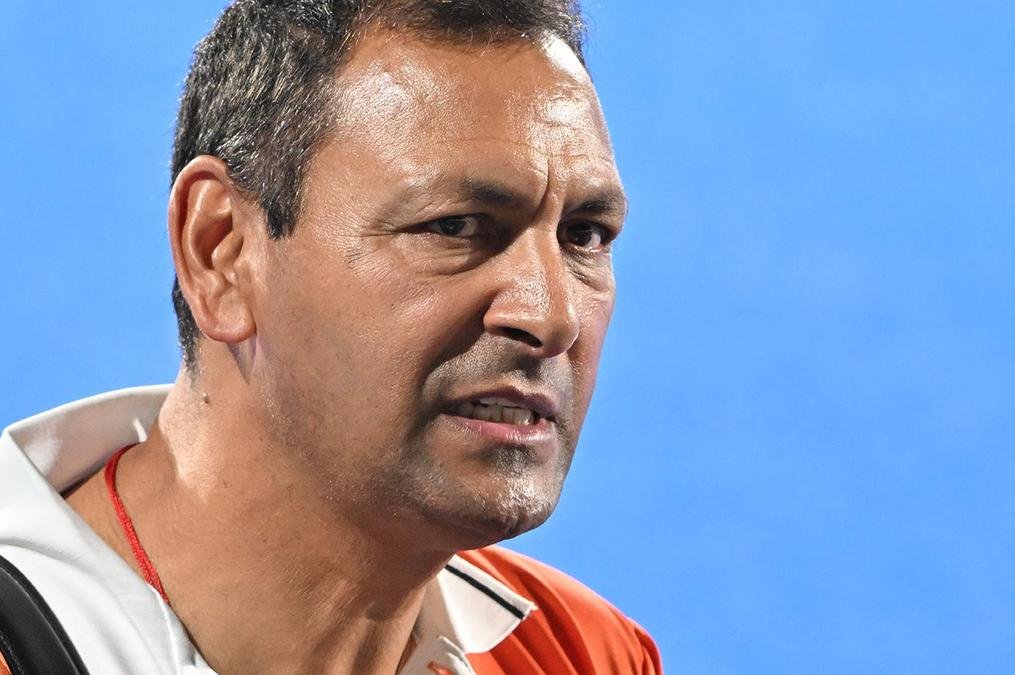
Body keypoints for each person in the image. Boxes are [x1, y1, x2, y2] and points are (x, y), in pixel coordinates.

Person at [0, 1, 661, 673]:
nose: (552, 317)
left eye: (585, 235)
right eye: (456, 226)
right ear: (222, 252)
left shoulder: (585, 652)